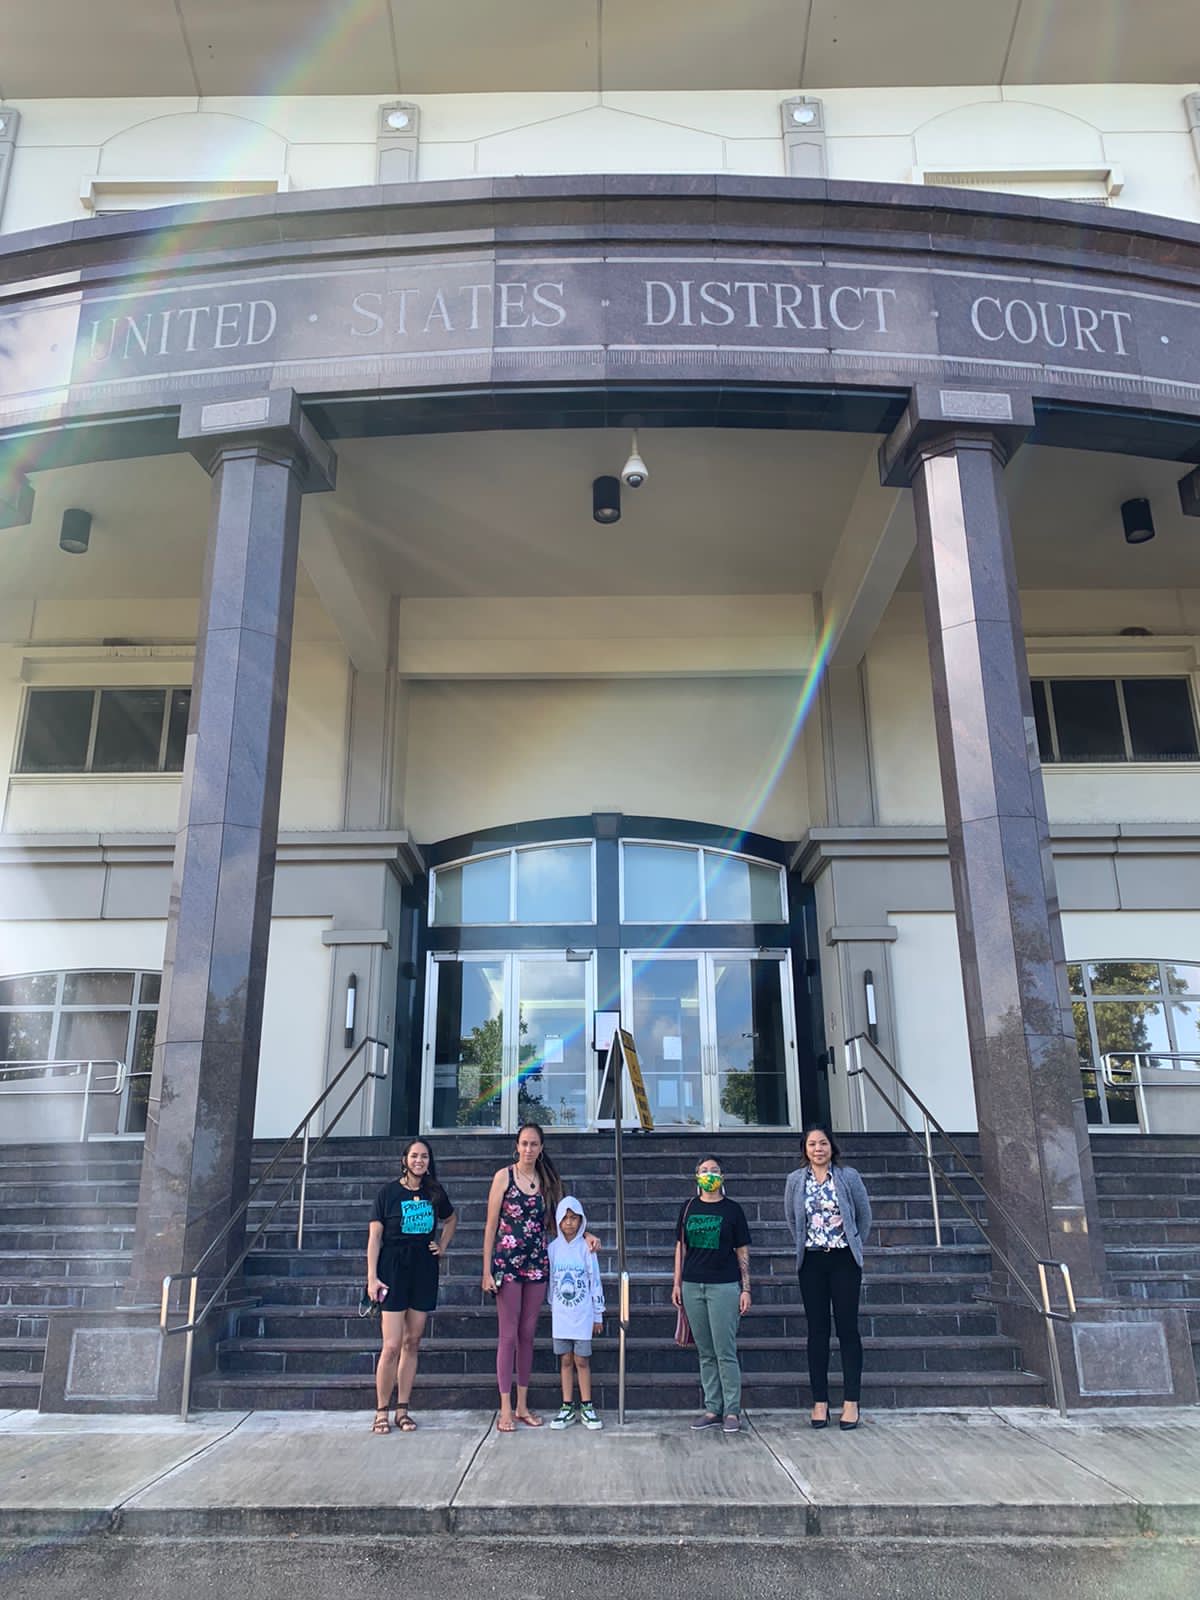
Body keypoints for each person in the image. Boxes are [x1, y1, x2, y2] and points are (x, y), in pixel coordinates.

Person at [483, 1121, 599, 1432]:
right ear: (516, 1145)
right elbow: (491, 1225)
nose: (529, 1149)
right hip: (507, 1264)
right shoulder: (503, 1177)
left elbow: (564, 1220)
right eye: (524, 1143)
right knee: (507, 1335)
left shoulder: (547, 1181)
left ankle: (522, 1405)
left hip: (537, 1264)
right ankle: (505, 1407)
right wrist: (486, 1270)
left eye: (534, 1144)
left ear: (541, 1148)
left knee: (527, 1335)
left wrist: (586, 1235)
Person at [783, 1123, 873, 1431]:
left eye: (823, 1144)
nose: (818, 1149)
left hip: (844, 1259)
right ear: (804, 1150)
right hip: (811, 1261)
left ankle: (851, 1402)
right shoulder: (795, 1180)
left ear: (832, 1147)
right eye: (812, 1145)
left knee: (848, 1329)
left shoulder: (848, 1177)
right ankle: (820, 1401)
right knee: (817, 1331)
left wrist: (855, 1243)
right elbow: (792, 1218)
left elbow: (864, 1215)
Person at [366, 1136, 456, 1434]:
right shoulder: (388, 1193)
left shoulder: (434, 1192)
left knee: (412, 1341)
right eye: (415, 1156)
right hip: (392, 1268)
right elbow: (375, 1238)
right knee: (391, 1345)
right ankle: (381, 1410)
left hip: (423, 1268)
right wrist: (371, 1277)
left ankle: (403, 1409)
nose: (420, 1161)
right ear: (404, 1159)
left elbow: (452, 1219)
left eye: (425, 1156)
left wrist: (441, 1246)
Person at [671, 1156, 752, 1433]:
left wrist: (746, 1288)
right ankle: (712, 1408)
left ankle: (732, 1410)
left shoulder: (733, 1210)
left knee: (725, 1351)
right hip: (693, 1285)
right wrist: (677, 1283)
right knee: (705, 1351)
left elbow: (742, 1251)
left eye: (714, 1170)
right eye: (704, 1171)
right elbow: (680, 1248)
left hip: (724, 1286)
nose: (709, 1175)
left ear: (722, 1176)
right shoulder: (688, 1208)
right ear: (696, 1176)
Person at [547, 1194, 605, 1430]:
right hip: (561, 1315)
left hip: (583, 1315)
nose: (570, 1223)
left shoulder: (587, 1248)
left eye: (574, 1218)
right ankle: (567, 1406)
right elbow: (551, 1281)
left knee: (582, 1359)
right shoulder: (553, 1249)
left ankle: (587, 1405)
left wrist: (598, 1313)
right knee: (566, 1359)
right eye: (565, 1218)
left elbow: (595, 1281)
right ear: (558, 1221)